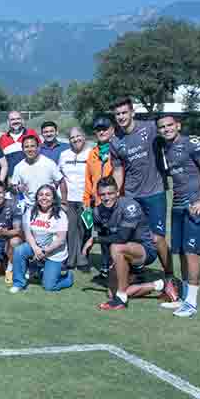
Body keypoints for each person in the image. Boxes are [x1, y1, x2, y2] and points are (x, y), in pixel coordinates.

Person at [110, 97, 176, 297]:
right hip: (132, 196)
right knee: (133, 237)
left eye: (124, 112)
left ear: (132, 112)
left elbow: (170, 139)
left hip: (154, 193)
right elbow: (118, 171)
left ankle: (169, 278)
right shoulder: (115, 141)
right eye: (117, 114)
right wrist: (115, 195)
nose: (121, 117)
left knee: (157, 239)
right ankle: (136, 273)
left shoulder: (150, 128)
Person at [155, 114, 200, 318]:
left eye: (170, 125)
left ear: (178, 125)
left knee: (191, 252)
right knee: (180, 251)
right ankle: (183, 298)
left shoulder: (192, 142)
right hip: (179, 205)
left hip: (196, 205)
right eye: (162, 127)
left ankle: (191, 303)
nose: (166, 129)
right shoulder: (165, 148)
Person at [82, 177, 160, 311]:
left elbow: (122, 237)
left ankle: (122, 299)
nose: (106, 198)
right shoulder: (97, 212)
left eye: (110, 193)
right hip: (121, 254)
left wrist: (93, 240)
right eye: (102, 195)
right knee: (112, 294)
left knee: (116, 247)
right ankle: (160, 285)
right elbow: (104, 238)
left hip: (144, 250)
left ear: (117, 193)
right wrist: (107, 265)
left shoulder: (129, 205)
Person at [10, 184, 73, 293]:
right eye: (41, 195)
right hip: (37, 247)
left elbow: (61, 239)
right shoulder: (30, 212)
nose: (44, 198)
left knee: (49, 286)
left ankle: (67, 278)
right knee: (19, 250)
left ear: (53, 198)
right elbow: (28, 233)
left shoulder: (60, 214)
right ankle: (19, 283)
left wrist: (44, 251)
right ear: (37, 197)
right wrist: (35, 248)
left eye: (48, 195)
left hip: (54, 253)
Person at [83, 116, 116, 279]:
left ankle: (120, 269)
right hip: (98, 203)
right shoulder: (93, 153)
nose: (102, 132)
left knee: (117, 237)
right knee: (103, 237)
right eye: (98, 129)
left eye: (105, 128)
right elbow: (88, 179)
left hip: (116, 203)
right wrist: (86, 200)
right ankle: (105, 266)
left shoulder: (118, 148)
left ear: (112, 130)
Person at [58, 127, 91, 271]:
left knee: (85, 229)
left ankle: (83, 259)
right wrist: (62, 200)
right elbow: (59, 177)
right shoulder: (64, 155)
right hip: (69, 199)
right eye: (72, 137)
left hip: (87, 199)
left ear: (84, 137)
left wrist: (90, 198)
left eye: (78, 136)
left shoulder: (91, 153)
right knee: (71, 229)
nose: (75, 139)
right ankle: (71, 260)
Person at [10, 135, 61, 209]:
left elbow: (61, 182)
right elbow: (13, 187)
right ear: (23, 149)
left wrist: (64, 202)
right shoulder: (18, 167)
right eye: (26, 147)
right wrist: (17, 188)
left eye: (32, 146)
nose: (29, 149)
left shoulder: (49, 163)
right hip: (29, 207)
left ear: (38, 147)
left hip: (49, 206)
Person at [0, 111, 39, 182]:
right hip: (11, 180)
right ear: (8, 122)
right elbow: (0, 162)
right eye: (12, 119)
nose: (15, 121)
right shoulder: (2, 138)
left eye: (18, 119)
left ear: (22, 120)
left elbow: (40, 154)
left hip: (31, 178)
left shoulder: (31, 133)